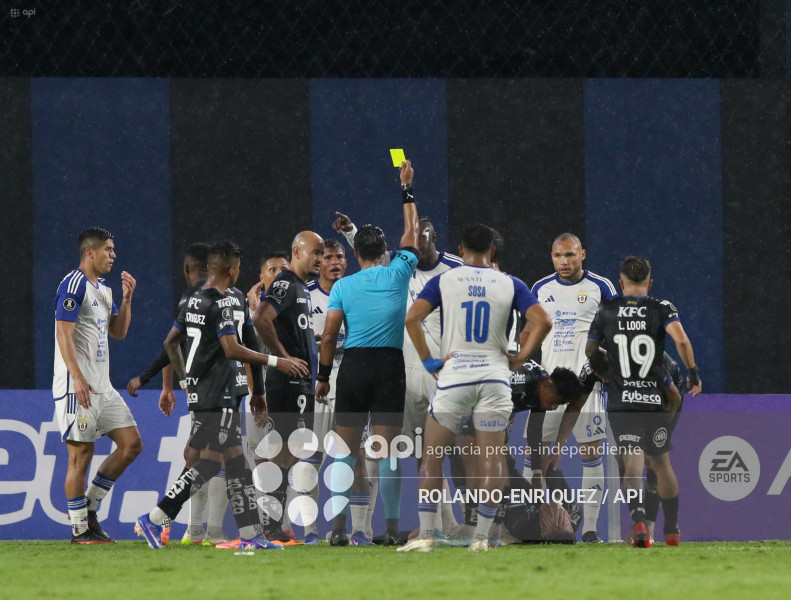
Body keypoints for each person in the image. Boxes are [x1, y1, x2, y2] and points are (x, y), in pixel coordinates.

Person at [135, 241, 308, 550]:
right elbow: (233, 348)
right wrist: (276, 362)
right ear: (232, 269)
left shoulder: (196, 300)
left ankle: (250, 537)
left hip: (216, 393)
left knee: (235, 466)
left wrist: (189, 379)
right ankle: (155, 518)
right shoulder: (224, 301)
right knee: (208, 464)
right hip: (219, 394)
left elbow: (170, 342)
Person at [399, 223, 552, 552]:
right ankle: (482, 536)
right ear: (492, 250)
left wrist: (428, 361)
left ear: (461, 248)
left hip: (455, 377)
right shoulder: (509, 283)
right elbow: (543, 320)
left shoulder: (445, 280)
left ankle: (427, 534)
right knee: (493, 460)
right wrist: (520, 357)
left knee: (432, 456)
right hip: (495, 378)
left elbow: (412, 319)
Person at [332, 213, 463, 539]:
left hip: (436, 372)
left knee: (430, 453)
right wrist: (352, 231)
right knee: (379, 453)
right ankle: (364, 528)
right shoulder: (396, 269)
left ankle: (443, 526)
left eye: (425, 235)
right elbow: (369, 257)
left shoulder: (456, 271)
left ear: (435, 237)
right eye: (413, 237)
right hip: (396, 369)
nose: (418, 241)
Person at [315, 160, 419, 546]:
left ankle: (338, 530)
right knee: (388, 452)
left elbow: (328, 337)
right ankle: (390, 530)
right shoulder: (398, 272)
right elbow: (411, 231)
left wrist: (323, 378)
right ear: (387, 251)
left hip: (354, 366)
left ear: (353, 252)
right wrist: (406, 188)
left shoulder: (343, 286)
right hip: (390, 365)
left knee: (345, 452)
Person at [586, 256, 702, 548]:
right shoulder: (661, 307)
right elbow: (682, 340)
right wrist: (693, 372)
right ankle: (672, 529)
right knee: (662, 463)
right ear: (650, 283)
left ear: (621, 282)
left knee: (631, 462)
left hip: (622, 398)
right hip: (655, 397)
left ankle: (638, 522)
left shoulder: (607, 309)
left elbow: (590, 350)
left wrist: (605, 370)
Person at [127, 243, 231, 546]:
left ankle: (176, 523)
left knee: (200, 456)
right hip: (212, 390)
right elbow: (174, 344)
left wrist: (168, 384)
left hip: (204, 389)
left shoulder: (192, 299)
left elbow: (174, 345)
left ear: (188, 270)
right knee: (209, 458)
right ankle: (167, 520)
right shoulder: (212, 299)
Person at [526, 233, 617, 543]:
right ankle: (530, 523)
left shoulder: (601, 287)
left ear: (583, 255)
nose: (563, 261)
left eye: (569, 255)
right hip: (550, 387)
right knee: (533, 454)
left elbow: (612, 334)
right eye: (557, 256)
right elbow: (531, 333)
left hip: (587, 386)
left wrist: (603, 370)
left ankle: (590, 530)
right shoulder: (540, 288)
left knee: (591, 454)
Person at [53, 227, 141, 543]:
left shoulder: (104, 289)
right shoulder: (73, 284)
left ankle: (89, 508)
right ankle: (80, 531)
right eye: (108, 249)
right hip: (77, 385)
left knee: (132, 444)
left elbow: (118, 332)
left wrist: (127, 299)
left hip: (103, 387)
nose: (113, 255)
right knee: (81, 454)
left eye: (114, 250)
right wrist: (76, 376)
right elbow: (63, 332)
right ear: (90, 252)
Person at [252, 231, 324, 543]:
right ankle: (270, 525)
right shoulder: (285, 283)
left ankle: (274, 524)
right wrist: (283, 357)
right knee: (283, 452)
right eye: (316, 252)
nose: (320, 259)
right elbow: (260, 319)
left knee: (289, 453)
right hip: (289, 383)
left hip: (300, 384)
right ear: (297, 251)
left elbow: (283, 325)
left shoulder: (300, 289)